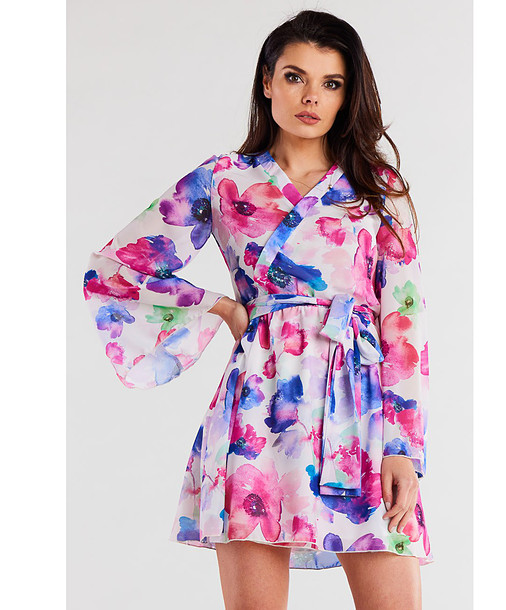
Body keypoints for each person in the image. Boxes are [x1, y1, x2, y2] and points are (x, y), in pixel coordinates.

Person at [83, 9, 434, 610]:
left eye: (331, 83)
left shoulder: (376, 188)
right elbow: (115, 269)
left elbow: (404, 323)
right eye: (295, 77)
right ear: (267, 82)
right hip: (257, 409)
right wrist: (220, 305)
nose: (311, 97)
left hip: (361, 416)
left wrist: (404, 447)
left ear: (348, 94)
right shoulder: (223, 180)